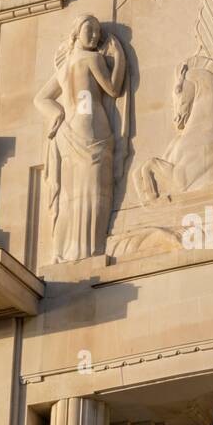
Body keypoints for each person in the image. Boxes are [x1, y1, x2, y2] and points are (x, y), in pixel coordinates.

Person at [34, 15, 126, 260]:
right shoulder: (92, 58)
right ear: (76, 32)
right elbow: (114, 89)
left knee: (70, 194)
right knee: (94, 189)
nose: (95, 35)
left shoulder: (64, 67)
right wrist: (120, 60)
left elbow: (41, 98)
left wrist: (57, 113)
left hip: (69, 128)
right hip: (92, 127)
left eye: (97, 31)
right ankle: (89, 250)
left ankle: (67, 251)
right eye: (90, 30)